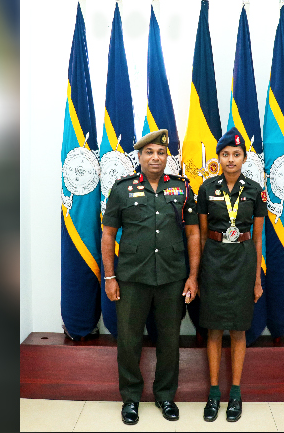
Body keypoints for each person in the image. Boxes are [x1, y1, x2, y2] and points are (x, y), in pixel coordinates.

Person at [101, 129, 200, 425]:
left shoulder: (182, 188)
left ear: (167, 157)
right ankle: (130, 398)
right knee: (129, 341)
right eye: (149, 152)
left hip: (171, 277)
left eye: (161, 152)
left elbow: (193, 233)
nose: (155, 157)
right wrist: (110, 277)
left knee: (169, 340)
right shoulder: (122, 189)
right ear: (140, 156)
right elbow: (108, 235)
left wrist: (193, 276)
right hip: (132, 277)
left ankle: (165, 395)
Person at [197, 126, 266, 422]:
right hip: (214, 261)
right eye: (225, 154)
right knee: (213, 329)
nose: (230, 160)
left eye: (236, 154)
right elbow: (201, 236)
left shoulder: (254, 190)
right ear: (219, 157)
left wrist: (257, 279)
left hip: (243, 262)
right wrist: (200, 273)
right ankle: (214, 393)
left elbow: (258, 239)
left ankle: (235, 393)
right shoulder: (206, 189)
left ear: (244, 158)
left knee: (238, 329)